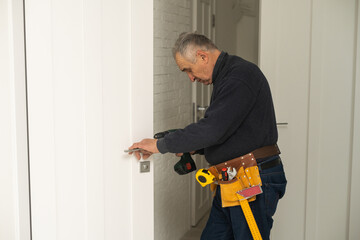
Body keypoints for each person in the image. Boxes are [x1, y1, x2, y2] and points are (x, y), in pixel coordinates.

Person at [128, 32, 287, 240]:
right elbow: (230, 131)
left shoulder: (239, 76)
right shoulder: (228, 77)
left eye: (189, 69)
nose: (191, 78)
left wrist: (160, 144)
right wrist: (194, 147)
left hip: (252, 180)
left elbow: (212, 129)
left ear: (203, 56)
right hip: (233, 180)